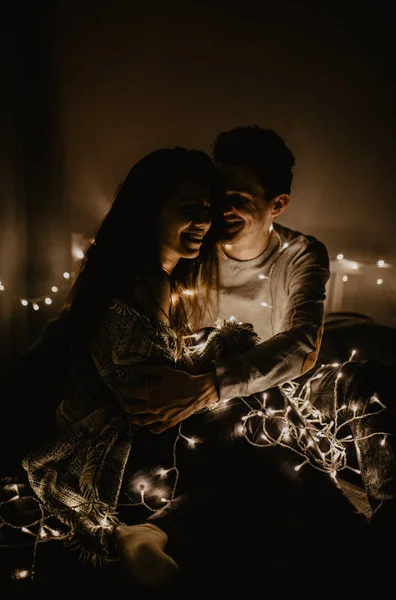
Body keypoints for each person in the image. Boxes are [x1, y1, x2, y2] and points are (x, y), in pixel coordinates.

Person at [116, 126, 396, 556]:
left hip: (291, 390)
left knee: (370, 380)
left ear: (277, 205)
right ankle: (345, 532)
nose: (219, 211)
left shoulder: (301, 254)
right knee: (246, 428)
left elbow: (302, 345)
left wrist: (213, 383)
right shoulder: (192, 248)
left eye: (239, 201)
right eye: (216, 195)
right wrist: (205, 387)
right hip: (213, 405)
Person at [3, 146, 258, 591]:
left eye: (208, 210)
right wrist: (226, 348)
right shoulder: (150, 280)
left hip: (110, 424)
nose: (203, 222)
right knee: (244, 436)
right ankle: (144, 534)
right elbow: (156, 390)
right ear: (149, 209)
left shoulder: (127, 269)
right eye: (188, 209)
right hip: (125, 440)